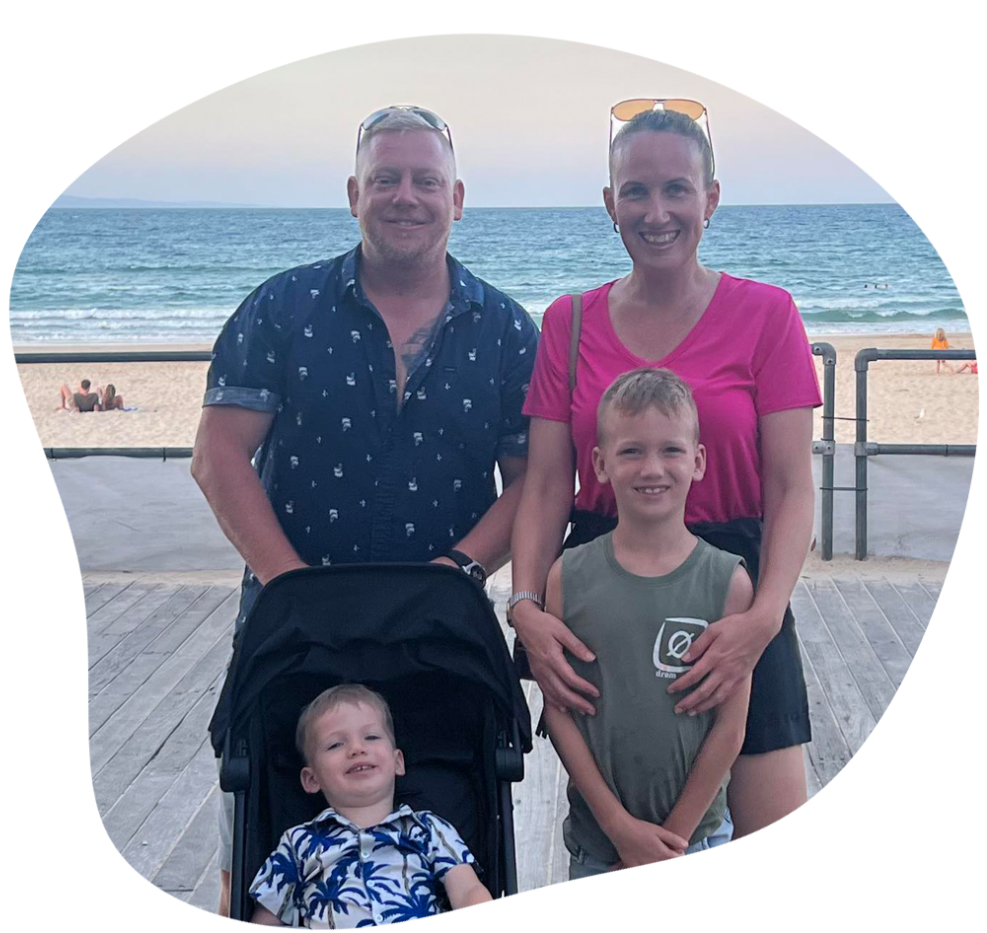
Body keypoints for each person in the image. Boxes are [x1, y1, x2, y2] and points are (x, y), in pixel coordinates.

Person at [192, 105, 539, 918]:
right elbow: (218, 457)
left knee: (458, 813)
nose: (404, 196)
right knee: (253, 826)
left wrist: (458, 571)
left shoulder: (506, 330)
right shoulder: (282, 307)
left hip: (436, 636)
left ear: (458, 198)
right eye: (385, 178)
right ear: (354, 192)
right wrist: (293, 588)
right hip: (289, 629)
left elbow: (533, 482)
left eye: (425, 180)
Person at [510, 101, 822, 844]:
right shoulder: (568, 321)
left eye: (676, 189)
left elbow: (789, 487)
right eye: (636, 191)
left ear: (709, 199)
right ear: (608, 202)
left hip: (738, 587)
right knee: (618, 838)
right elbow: (548, 485)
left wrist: (763, 618)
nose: (656, 212)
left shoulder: (767, 313)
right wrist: (526, 607)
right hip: (605, 586)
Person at [543, 369, 753, 877]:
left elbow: (730, 727)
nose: (651, 468)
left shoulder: (729, 583)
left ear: (698, 461)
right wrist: (619, 828)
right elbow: (559, 713)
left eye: (671, 451)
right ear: (599, 464)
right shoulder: (567, 576)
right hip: (598, 846)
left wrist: (670, 842)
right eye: (632, 451)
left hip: (695, 840)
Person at [249, 684, 491, 928]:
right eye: (336, 744)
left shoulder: (428, 829)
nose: (357, 749)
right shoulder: (298, 843)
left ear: (398, 762)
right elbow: (268, 916)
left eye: (371, 737)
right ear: (312, 779)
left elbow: (467, 889)